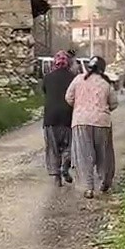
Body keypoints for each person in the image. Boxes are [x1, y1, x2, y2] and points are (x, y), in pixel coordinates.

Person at [66, 55, 118, 199]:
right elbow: (113, 103)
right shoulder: (105, 83)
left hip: (81, 121)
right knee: (104, 154)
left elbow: (68, 98)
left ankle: (88, 187)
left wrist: (80, 107)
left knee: (84, 155)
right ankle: (104, 182)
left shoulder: (78, 80)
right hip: (102, 122)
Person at [42, 51, 75, 187]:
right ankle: (65, 166)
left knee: (52, 148)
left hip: (50, 117)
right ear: (68, 63)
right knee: (69, 146)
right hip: (68, 117)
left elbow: (45, 91)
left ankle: (56, 177)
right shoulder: (74, 78)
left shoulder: (47, 78)